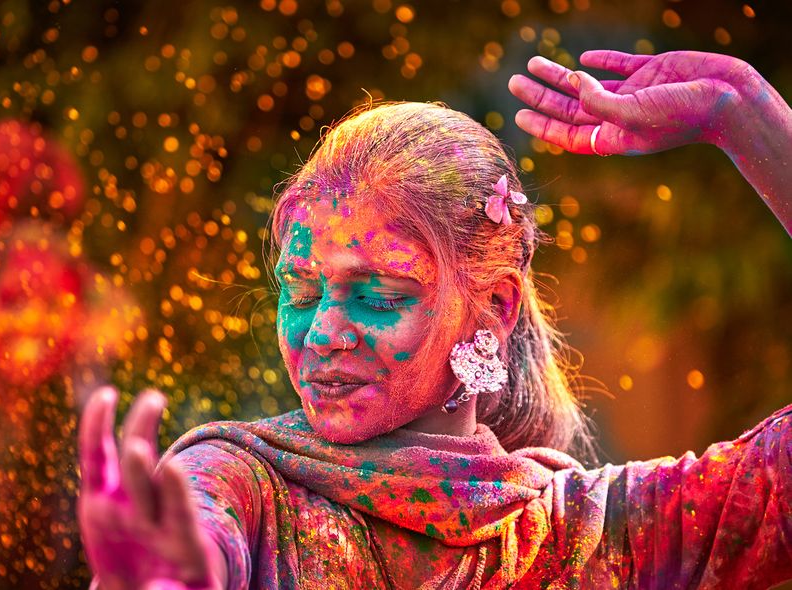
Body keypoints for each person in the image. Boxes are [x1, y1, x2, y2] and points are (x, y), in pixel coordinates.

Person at [76, 49, 792, 589]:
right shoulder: (239, 487)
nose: (323, 330)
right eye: (300, 293)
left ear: (496, 309)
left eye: (378, 294)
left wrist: (745, 113)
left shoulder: (598, 534)